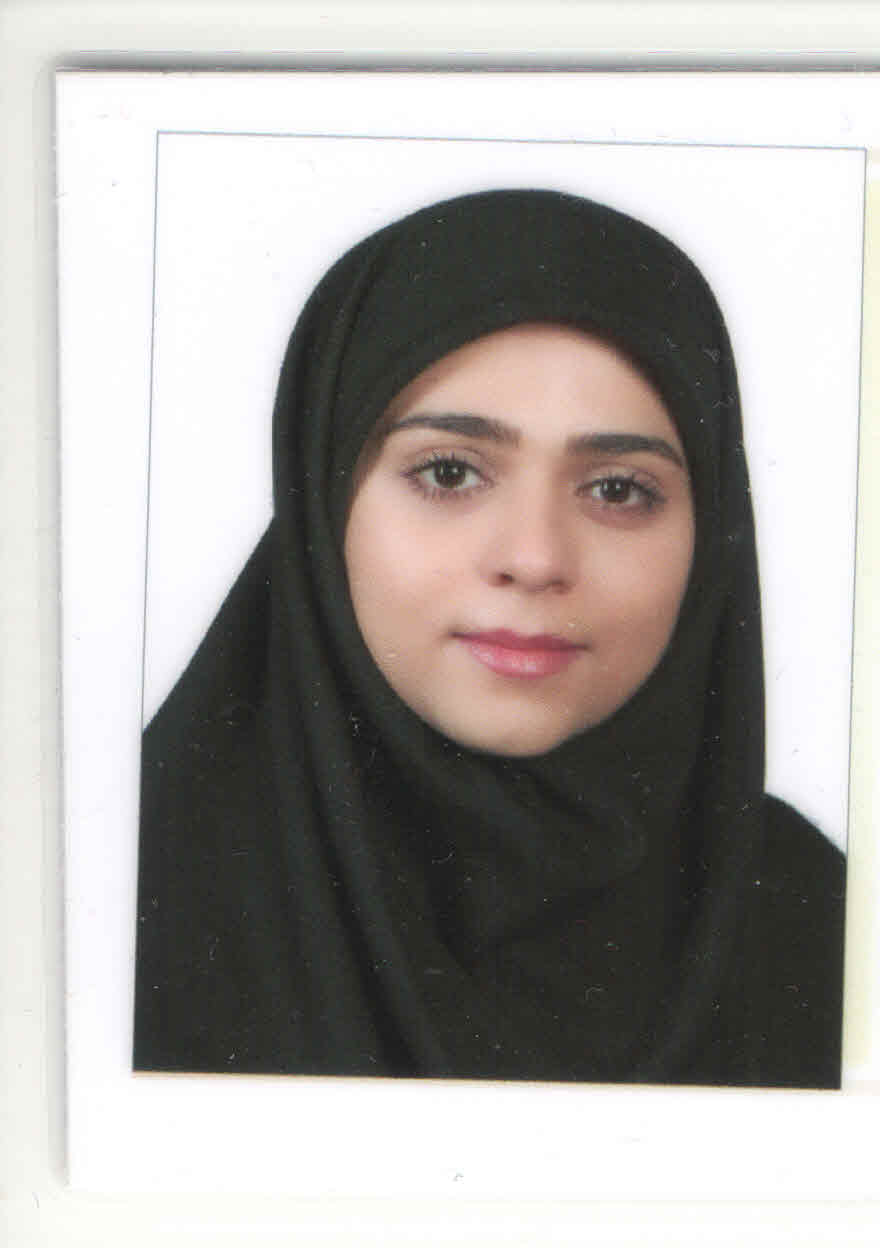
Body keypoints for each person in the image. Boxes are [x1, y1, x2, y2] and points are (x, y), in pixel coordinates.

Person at [134, 188, 846, 1087]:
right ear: (323, 500)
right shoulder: (109, 901)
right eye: (448, 473)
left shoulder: (819, 922)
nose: (534, 558)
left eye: (618, 489)